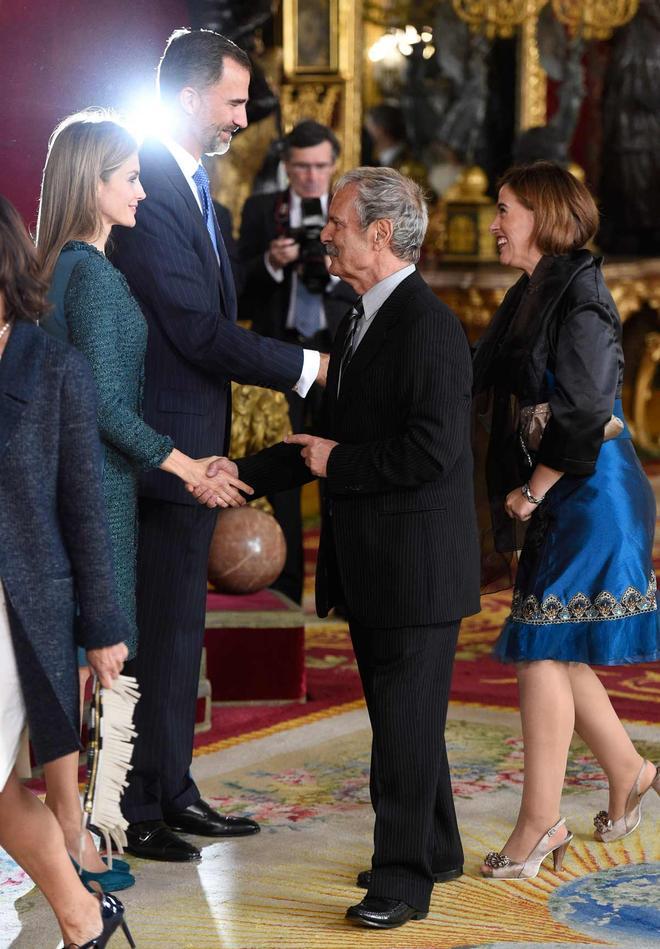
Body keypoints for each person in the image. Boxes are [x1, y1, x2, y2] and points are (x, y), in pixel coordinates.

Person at [204, 167, 481, 929]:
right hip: (381, 565)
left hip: (415, 570)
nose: (325, 233)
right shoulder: (359, 316)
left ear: (382, 235)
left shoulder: (427, 326)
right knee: (408, 721)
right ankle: (437, 847)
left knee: (402, 730)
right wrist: (239, 475)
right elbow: (318, 441)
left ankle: (401, 882)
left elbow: (431, 452)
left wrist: (340, 463)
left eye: (339, 223)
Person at [110, 27, 328, 862]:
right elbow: (197, 331)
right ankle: (139, 805)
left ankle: (173, 789)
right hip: (161, 451)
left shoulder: (198, 186)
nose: (243, 117)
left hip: (196, 442)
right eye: (235, 101)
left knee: (180, 633)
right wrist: (305, 367)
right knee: (158, 632)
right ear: (193, 95)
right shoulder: (150, 183)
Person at [35, 111, 252, 889]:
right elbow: (97, 407)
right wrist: (187, 465)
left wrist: (180, 463)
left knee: (98, 664)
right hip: (98, 489)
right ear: (90, 185)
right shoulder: (87, 274)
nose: (140, 189)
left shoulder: (71, 266)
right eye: (128, 177)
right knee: (106, 662)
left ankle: (85, 829)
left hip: (104, 480)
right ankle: (85, 836)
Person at [472, 161, 660, 880]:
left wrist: (531, 492)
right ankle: (630, 772)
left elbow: (584, 409)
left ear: (545, 217)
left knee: (543, 646)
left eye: (505, 208)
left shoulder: (581, 294)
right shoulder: (534, 288)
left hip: (586, 491)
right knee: (559, 645)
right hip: (568, 490)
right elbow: (484, 374)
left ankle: (540, 821)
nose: (495, 223)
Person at [0, 196, 133, 948]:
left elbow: (86, 508)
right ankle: (85, 918)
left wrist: (103, 626)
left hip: (20, 609)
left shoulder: (56, 367)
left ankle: (83, 914)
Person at [239, 119, 357, 602]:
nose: (311, 177)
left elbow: (375, 282)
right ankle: (284, 588)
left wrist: (333, 267)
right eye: (302, 167)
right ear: (287, 166)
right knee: (283, 467)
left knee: (345, 467)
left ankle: (347, 588)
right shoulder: (262, 210)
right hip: (281, 359)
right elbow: (237, 290)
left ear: (334, 165)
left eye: (320, 167)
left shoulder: (355, 210)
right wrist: (270, 261)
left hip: (339, 358)